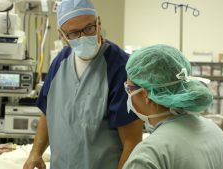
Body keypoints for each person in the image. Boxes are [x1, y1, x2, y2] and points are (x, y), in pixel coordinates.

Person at [23, 0, 143, 168]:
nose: (84, 37)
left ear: (98, 23)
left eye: (89, 28)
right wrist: (35, 153)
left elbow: (132, 142)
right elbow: (48, 113)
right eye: (73, 33)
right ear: (62, 35)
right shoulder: (59, 62)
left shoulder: (120, 67)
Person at [122, 44, 223, 169]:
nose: (128, 94)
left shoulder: (148, 155)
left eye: (129, 88)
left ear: (145, 95)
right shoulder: (215, 132)